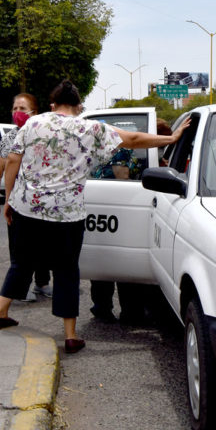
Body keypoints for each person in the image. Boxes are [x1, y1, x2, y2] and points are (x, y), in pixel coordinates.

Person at [0, 80, 190, 354]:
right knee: (66, 270)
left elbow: (12, 160)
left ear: (53, 105)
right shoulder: (90, 128)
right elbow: (133, 140)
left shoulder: (33, 123)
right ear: (79, 106)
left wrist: (10, 198)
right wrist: (171, 139)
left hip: (28, 207)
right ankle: (70, 336)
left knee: (21, 262)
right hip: (66, 214)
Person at [89, 117, 174, 324]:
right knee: (123, 262)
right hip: (118, 207)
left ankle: (104, 307)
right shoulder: (123, 150)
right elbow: (122, 177)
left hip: (101, 206)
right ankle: (128, 311)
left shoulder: (104, 148)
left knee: (103, 261)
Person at [0, 93, 52, 302]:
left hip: (41, 201)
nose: (17, 113)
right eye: (15, 108)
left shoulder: (44, 136)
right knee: (18, 248)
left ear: (34, 112)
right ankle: (18, 289)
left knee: (43, 245)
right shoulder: (9, 138)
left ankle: (42, 283)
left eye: (22, 109)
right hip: (16, 202)